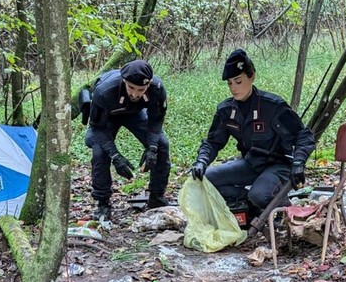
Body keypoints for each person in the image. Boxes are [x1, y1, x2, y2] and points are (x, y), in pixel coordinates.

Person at [189, 48, 315, 219]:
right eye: (230, 83)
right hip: (251, 163)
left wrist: (299, 162)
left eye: (238, 81)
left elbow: (303, 135)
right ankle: (251, 207)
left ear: (252, 76)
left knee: (259, 194)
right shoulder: (226, 110)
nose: (233, 88)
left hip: (279, 165)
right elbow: (213, 142)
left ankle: (281, 209)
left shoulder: (273, 106)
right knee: (206, 180)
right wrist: (201, 161)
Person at [81, 59, 171, 221]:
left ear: (149, 84)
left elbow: (156, 119)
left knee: (162, 145)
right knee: (100, 152)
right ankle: (103, 203)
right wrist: (115, 156)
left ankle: (157, 196)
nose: (135, 94)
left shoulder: (157, 89)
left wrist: (152, 147)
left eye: (141, 89)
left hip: (134, 113)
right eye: (131, 88)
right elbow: (97, 127)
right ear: (124, 81)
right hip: (106, 119)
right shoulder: (104, 91)